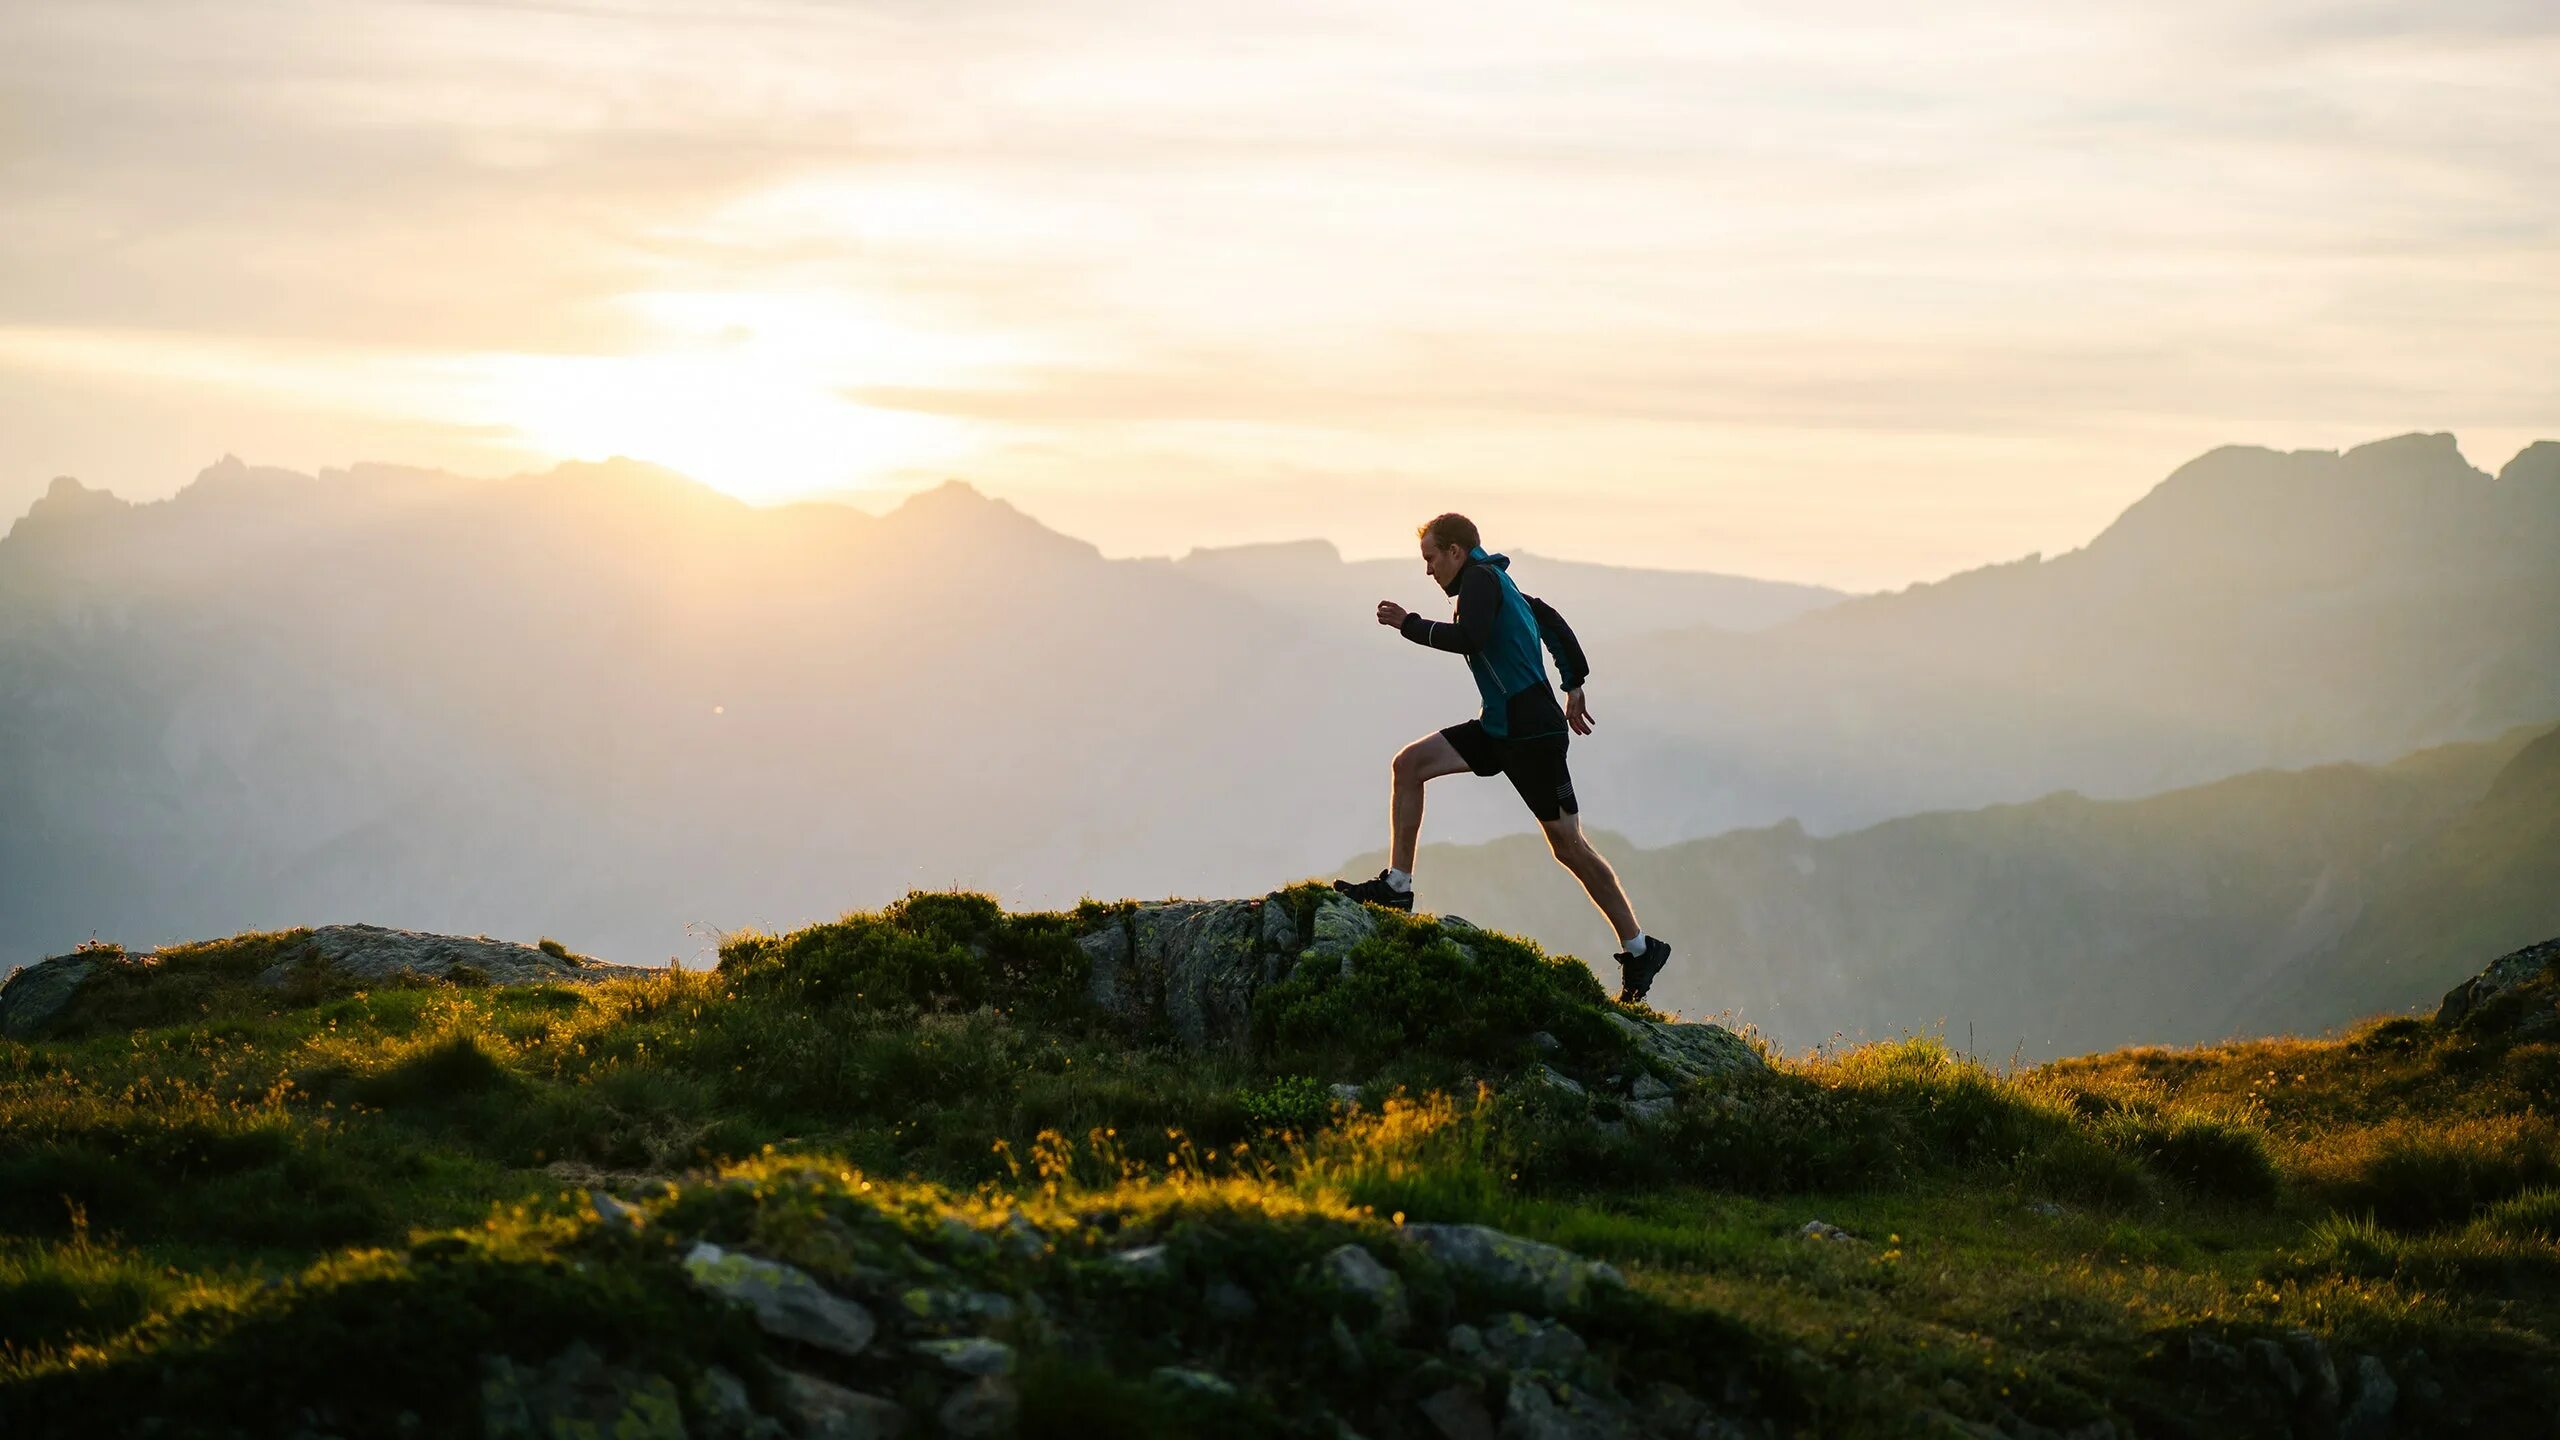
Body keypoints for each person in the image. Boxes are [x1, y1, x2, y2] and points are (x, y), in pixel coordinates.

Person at [1334, 512, 1674, 1003]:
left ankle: (1641, 949)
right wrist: (1574, 681)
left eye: (1431, 558)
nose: (1428, 571)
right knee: (1409, 765)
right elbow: (1550, 621)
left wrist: (1408, 624)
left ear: (1455, 551)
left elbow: (1469, 637)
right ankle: (1398, 886)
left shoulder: (1479, 580)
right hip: (1499, 726)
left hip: (1532, 733)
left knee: (1569, 847)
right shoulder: (1498, 581)